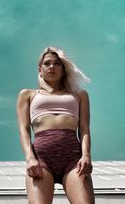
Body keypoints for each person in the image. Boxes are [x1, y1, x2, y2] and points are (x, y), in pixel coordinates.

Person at [16, 47, 95, 204]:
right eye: (47, 63)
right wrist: (30, 158)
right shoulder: (28, 94)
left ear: (63, 69)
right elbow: (23, 130)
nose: (51, 67)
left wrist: (86, 155)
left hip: (73, 158)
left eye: (57, 63)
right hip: (41, 158)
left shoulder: (79, 95)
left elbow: (85, 129)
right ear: (40, 69)